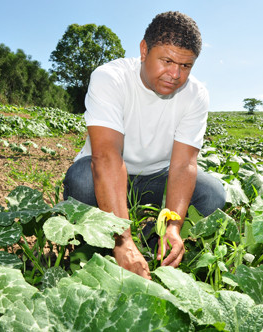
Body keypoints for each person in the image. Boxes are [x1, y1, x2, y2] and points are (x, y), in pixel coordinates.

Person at [63, 11, 226, 280]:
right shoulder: (110, 78)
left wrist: (173, 226)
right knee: (81, 180)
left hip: (158, 180)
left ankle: (157, 241)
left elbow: (184, 164)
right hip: (108, 177)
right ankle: (107, 245)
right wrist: (122, 240)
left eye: (186, 66)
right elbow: (106, 158)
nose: (175, 74)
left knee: (212, 193)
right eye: (167, 60)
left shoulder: (196, 95)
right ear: (143, 50)